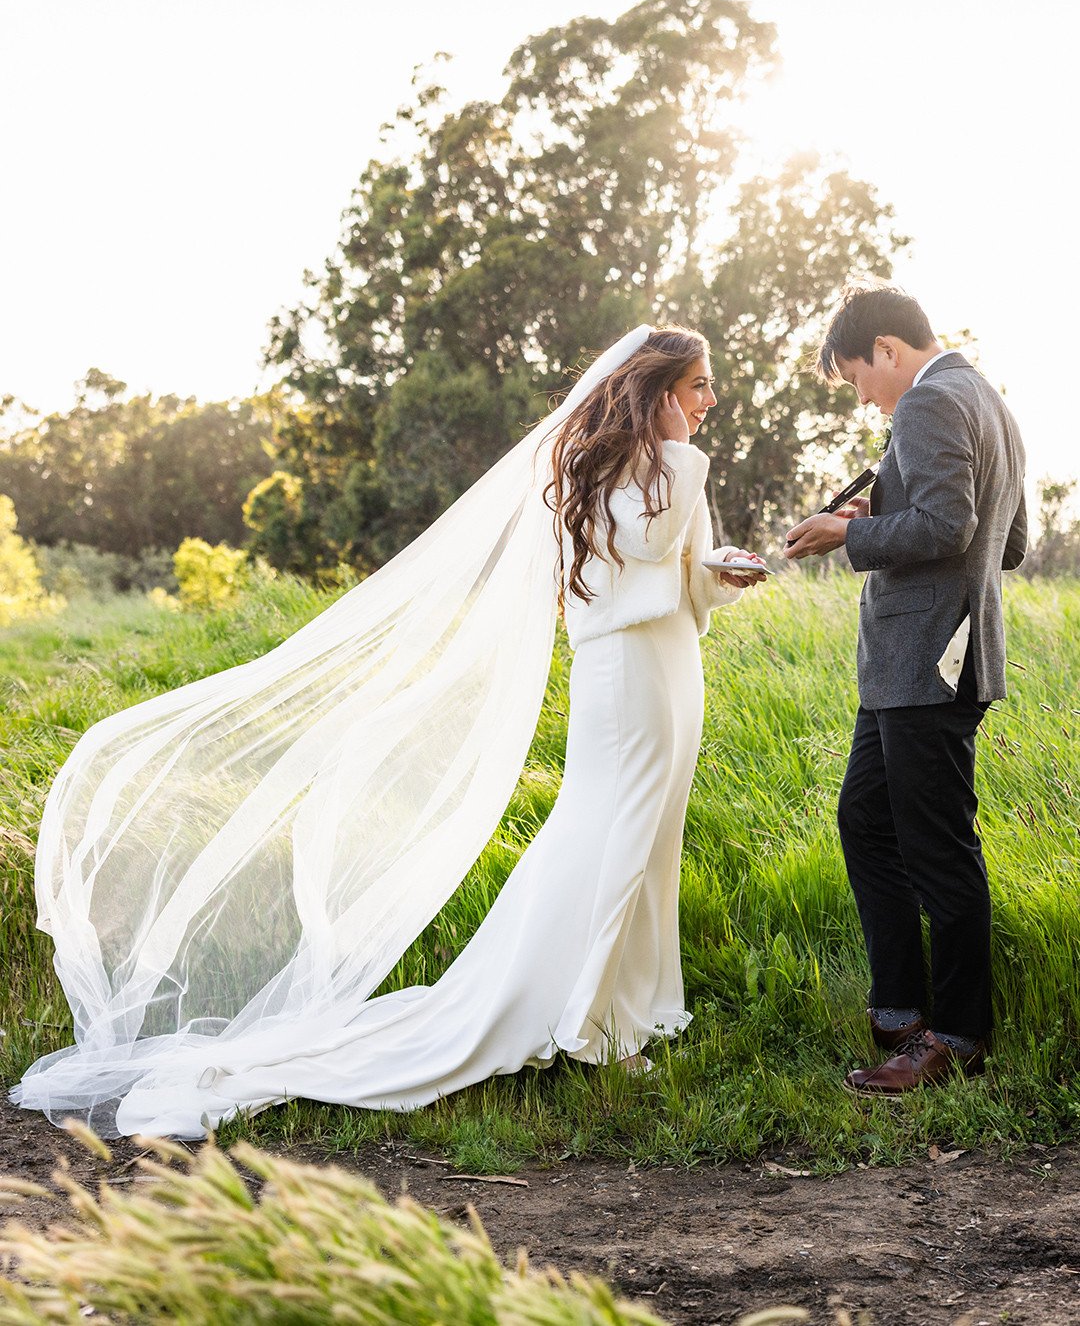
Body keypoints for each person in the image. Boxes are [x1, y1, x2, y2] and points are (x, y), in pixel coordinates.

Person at [14, 324, 765, 1137]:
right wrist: (689, 470)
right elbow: (645, 544)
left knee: (652, 835)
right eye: (698, 387)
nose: (710, 401)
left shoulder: (670, 469)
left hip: (672, 665)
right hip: (624, 678)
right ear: (656, 394)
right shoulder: (628, 469)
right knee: (607, 832)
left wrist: (720, 573)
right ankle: (578, 1016)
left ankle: (625, 1008)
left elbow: (674, 568)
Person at [784, 283, 1026, 1095]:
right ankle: (899, 1015)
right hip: (935, 661)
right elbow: (1009, 542)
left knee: (939, 852)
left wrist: (849, 531)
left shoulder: (925, 406)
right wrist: (885, 506)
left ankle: (954, 1036)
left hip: (924, 663)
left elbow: (947, 527)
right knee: (866, 818)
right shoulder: (989, 400)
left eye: (857, 376)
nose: (862, 396)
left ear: (888, 350)